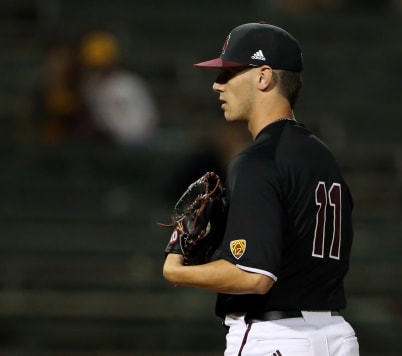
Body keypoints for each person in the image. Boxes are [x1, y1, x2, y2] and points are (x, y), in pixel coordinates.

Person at [163, 22, 359, 355]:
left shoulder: (257, 160)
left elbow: (254, 276)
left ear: (263, 77)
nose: (216, 85)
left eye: (228, 73)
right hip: (335, 337)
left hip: (277, 337)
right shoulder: (323, 157)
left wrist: (177, 270)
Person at [78, 30, 160, 147]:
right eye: (94, 67)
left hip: (135, 144)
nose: (97, 71)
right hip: (104, 144)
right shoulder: (89, 85)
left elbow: (144, 126)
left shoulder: (127, 84)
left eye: (101, 66)